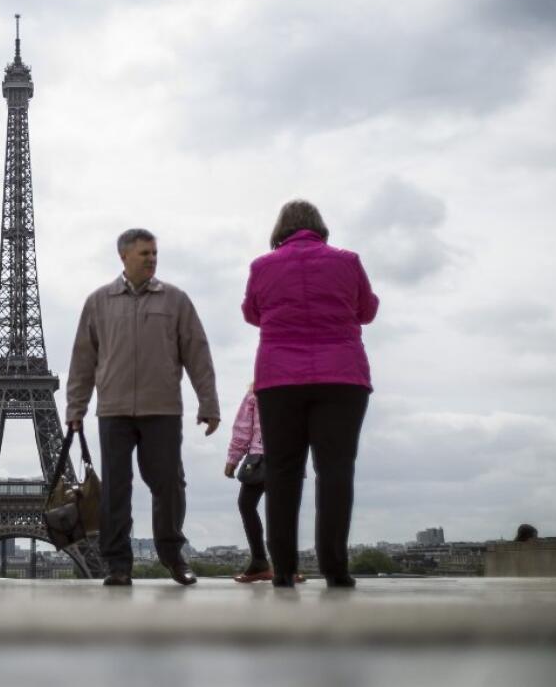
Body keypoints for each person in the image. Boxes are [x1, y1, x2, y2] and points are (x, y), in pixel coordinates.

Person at [67, 228, 221, 587]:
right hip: (114, 409)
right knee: (116, 489)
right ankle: (117, 564)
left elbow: (197, 353)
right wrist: (76, 408)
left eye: (154, 253)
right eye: (144, 253)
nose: (152, 258)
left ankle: (171, 554)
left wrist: (209, 402)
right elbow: (82, 360)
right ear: (123, 256)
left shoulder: (175, 300)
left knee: (168, 484)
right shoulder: (98, 302)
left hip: (162, 408)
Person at [242, 200, 378, 588]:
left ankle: (283, 569)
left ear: (280, 229)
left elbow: (252, 313)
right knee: (335, 472)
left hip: (279, 378)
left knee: (283, 474)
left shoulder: (262, 266)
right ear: (320, 226)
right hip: (342, 377)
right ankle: (336, 568)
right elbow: (366, 310)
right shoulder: (348, 261)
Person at [224, 384, 272, 582]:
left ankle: (260, 561)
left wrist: (233, 459)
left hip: (259, 456)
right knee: (282, 510)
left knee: (246, 505)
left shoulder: (257, 389)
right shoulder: (299, 386)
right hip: (286, 455)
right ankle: (287, 564)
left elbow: (243, 427)